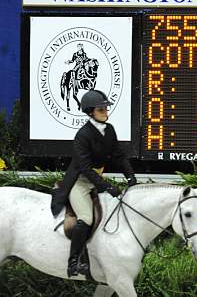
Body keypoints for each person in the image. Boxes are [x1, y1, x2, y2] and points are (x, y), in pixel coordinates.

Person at [50, 89, 137, 277]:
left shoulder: (110, 130)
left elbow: (119, 156)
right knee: (86, 218)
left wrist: (131, 178)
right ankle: (74, 262)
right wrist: (107, 187)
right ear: (90, 112)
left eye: (106, 108)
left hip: (95, 180)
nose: (106, 112)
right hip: (79, 182)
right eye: (101, 109)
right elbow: (86, 169)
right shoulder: (83, 135)